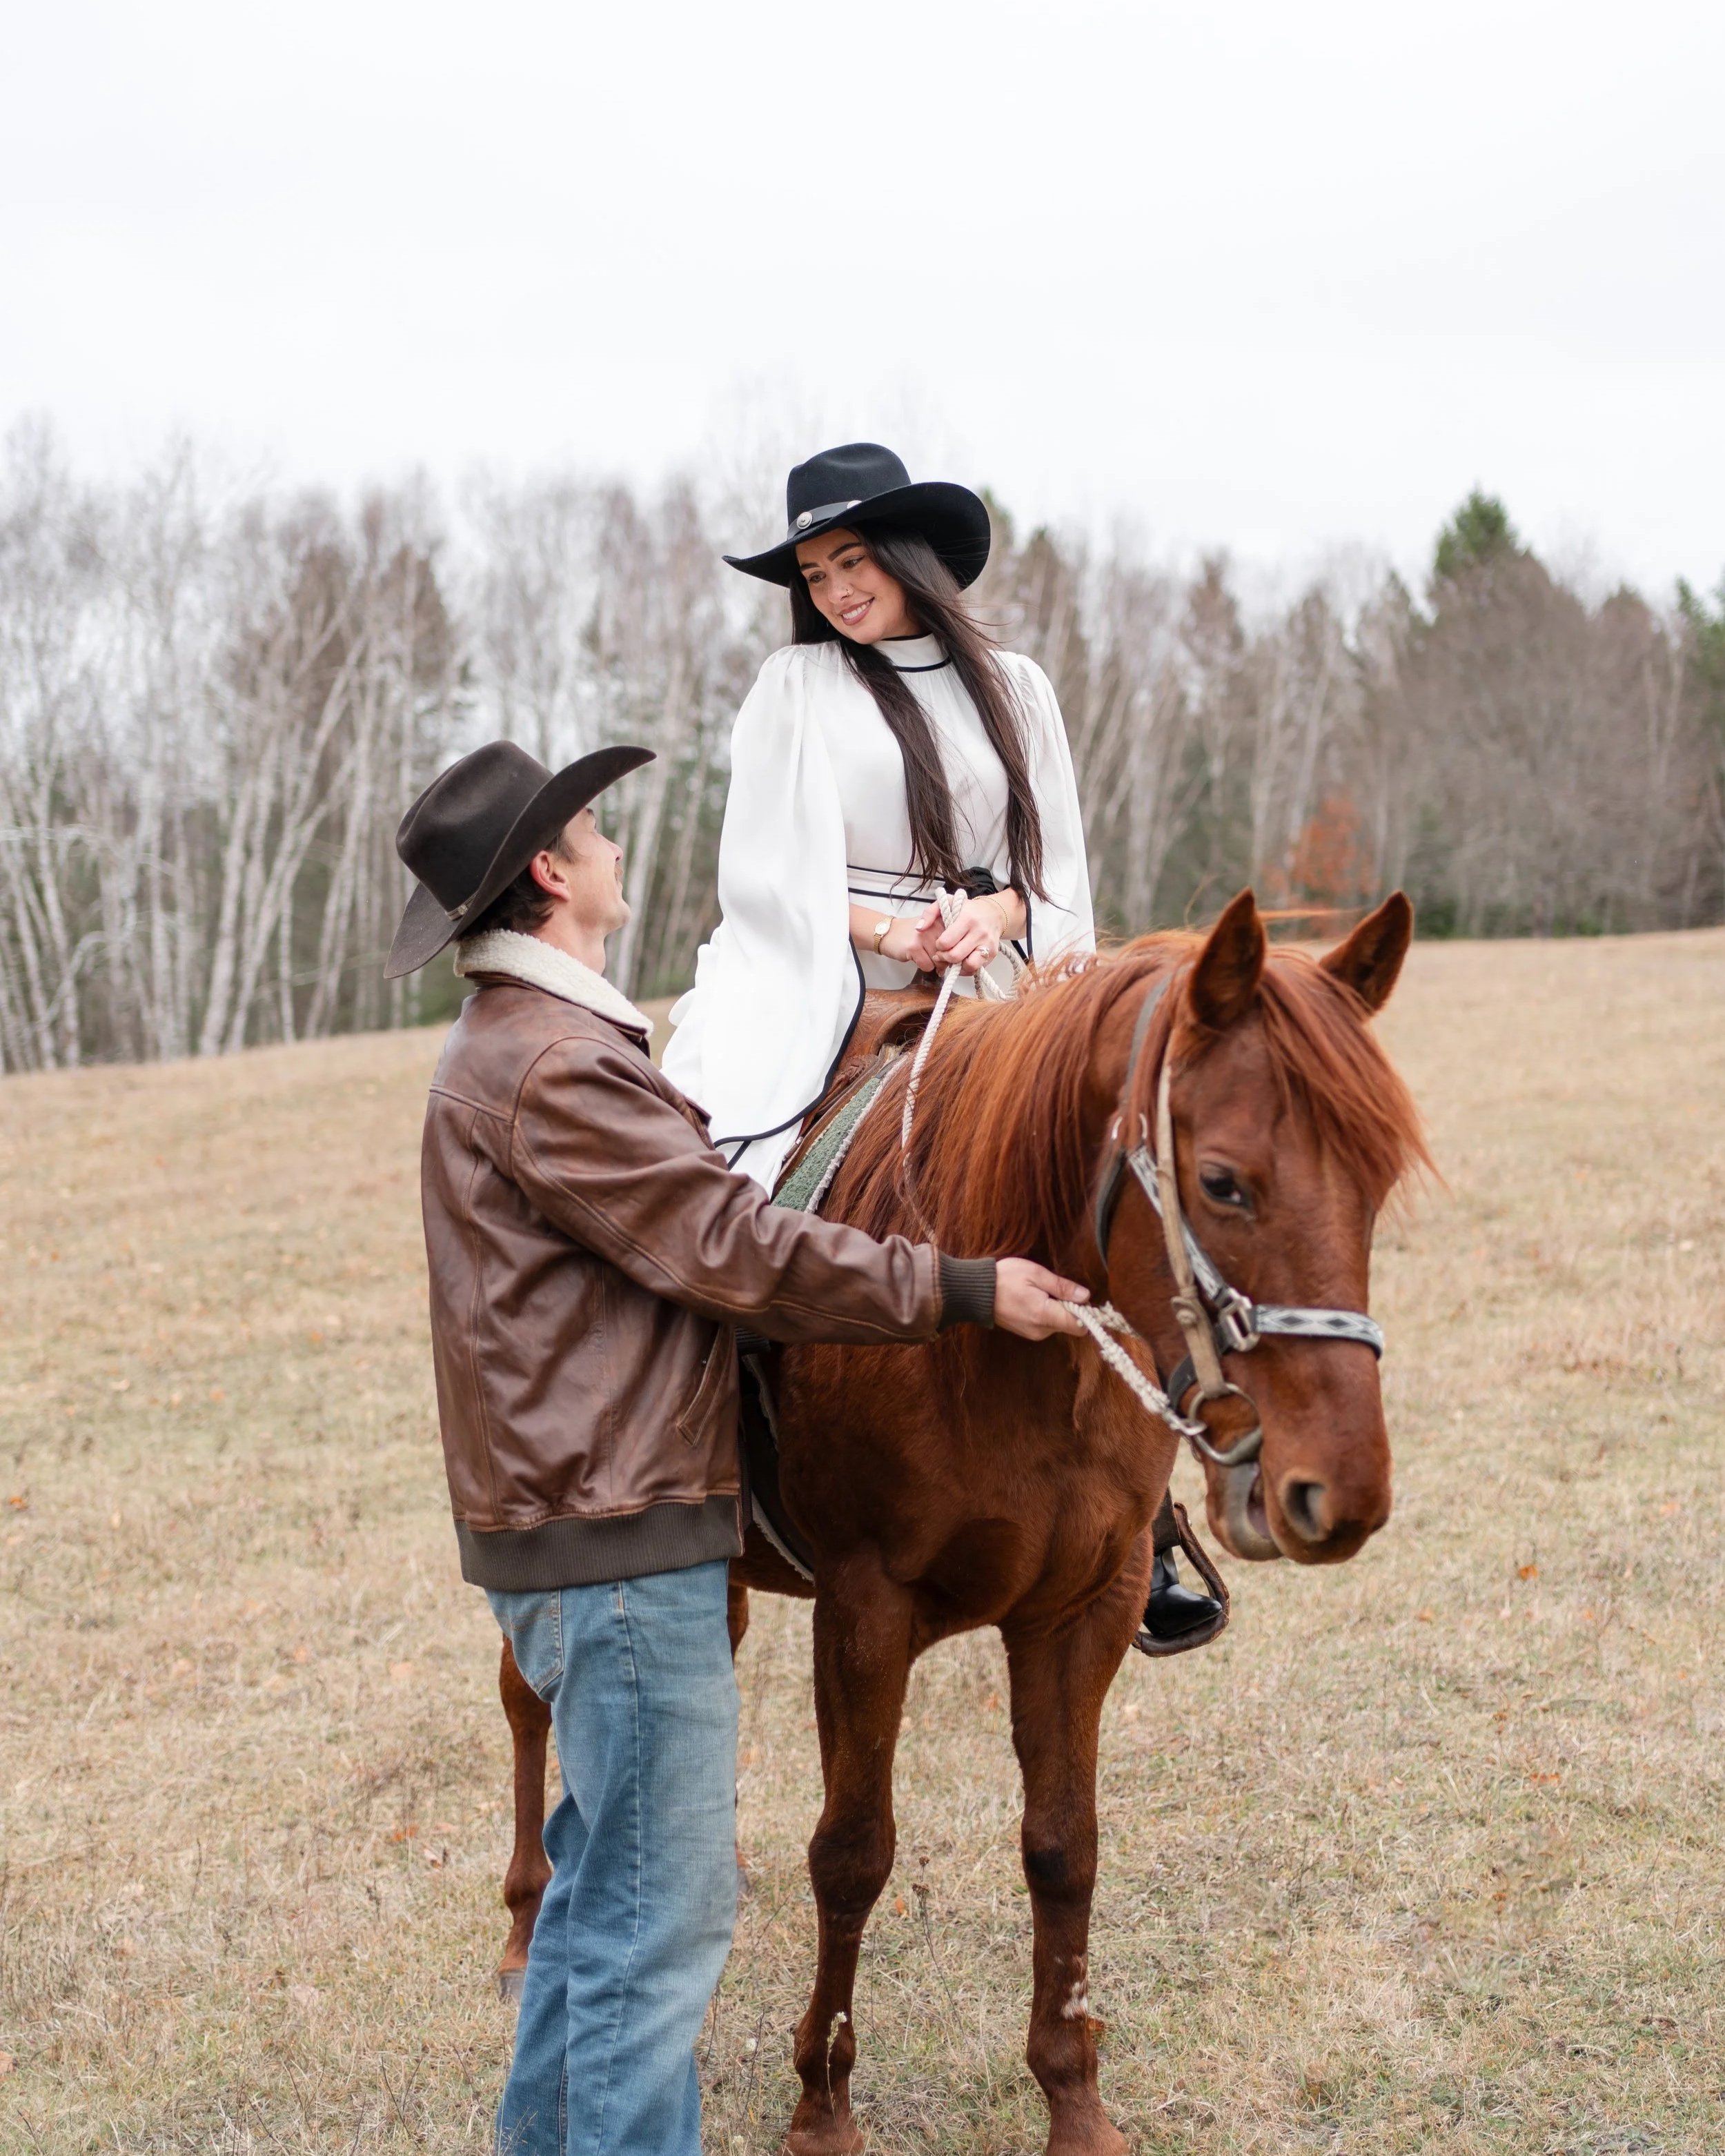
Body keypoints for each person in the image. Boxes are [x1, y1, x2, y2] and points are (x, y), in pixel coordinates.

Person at [384, 737, 1094, 2156]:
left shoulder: (536, 1047)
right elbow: (731, 1248)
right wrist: (966, 1287)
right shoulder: (549, 1065)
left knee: (597, 1903)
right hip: (620, 1544)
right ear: (548, 873)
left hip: (576, 1527)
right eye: (591, 833)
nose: (612, 849)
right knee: (659, 1929)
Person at [664, 442, 1225, 1653]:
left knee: (1103, 1189)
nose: (833, 590)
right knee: (721, 1176)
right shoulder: (797, 689)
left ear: (909, 557)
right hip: (827, 985)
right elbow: (766, 875)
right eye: (813, 571)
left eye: (851, 560)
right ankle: (698, 1462)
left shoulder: (1017, 687)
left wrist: (993, 918)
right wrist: (891, 927)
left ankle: (1144, 1515)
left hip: (999, 985)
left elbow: (1054, 872)